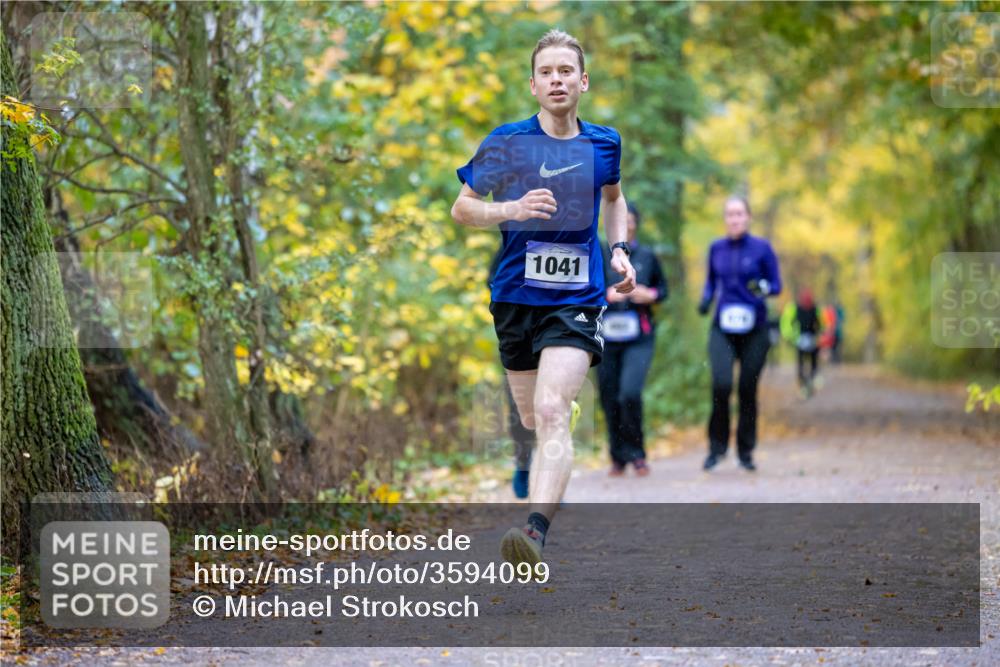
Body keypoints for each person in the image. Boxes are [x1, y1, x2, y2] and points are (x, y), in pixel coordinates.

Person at [451, 29, 636, 566]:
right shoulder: (508, 142)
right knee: (533, 421)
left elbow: (615, 199)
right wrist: (509, 210)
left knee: (553, 409)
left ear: (584, 81)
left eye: (566, 71)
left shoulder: (605, 142)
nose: (557, 80)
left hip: (578, 295)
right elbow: (463, 208)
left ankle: (532, 533)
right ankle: (555, 435)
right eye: (547, 72)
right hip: (514, 296)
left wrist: (619, 250)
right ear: (533, 85)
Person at [698, 195, 782, 472]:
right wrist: (706, 299)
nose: (734, 219)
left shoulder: (762, 248)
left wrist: (763, 288)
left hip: (754, 328)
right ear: (725, 219)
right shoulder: (716, 248)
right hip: (723, 327)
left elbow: (776, 285)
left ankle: (746, 451)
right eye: (730, 215)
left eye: (739, 214)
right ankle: (716, 448)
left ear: (748, 217)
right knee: (721, 384)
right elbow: (711, 282)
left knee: (747, 388)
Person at [598, 203, 667, 476]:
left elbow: (663, 290)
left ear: (636, 224)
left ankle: (637, 453)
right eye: (620, 220)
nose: (626, 225)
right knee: (609, 396)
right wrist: (607, 294)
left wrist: (650, 295)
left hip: (639, 335)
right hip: (605, 335)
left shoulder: (647, 255)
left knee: (629, 392)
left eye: (630, 221)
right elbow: (584, 288)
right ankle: (617, 456)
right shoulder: (600, 254)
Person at [794, 288, 820, 397]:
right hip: (801, 339)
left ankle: (811, 382)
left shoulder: (815, 309)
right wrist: (793, 336)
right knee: (801, 363)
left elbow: (819, 323)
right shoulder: (797, 309)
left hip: (812, 339)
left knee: (812, 362)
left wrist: (820, 336)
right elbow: (791, 322)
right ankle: (803, 384)